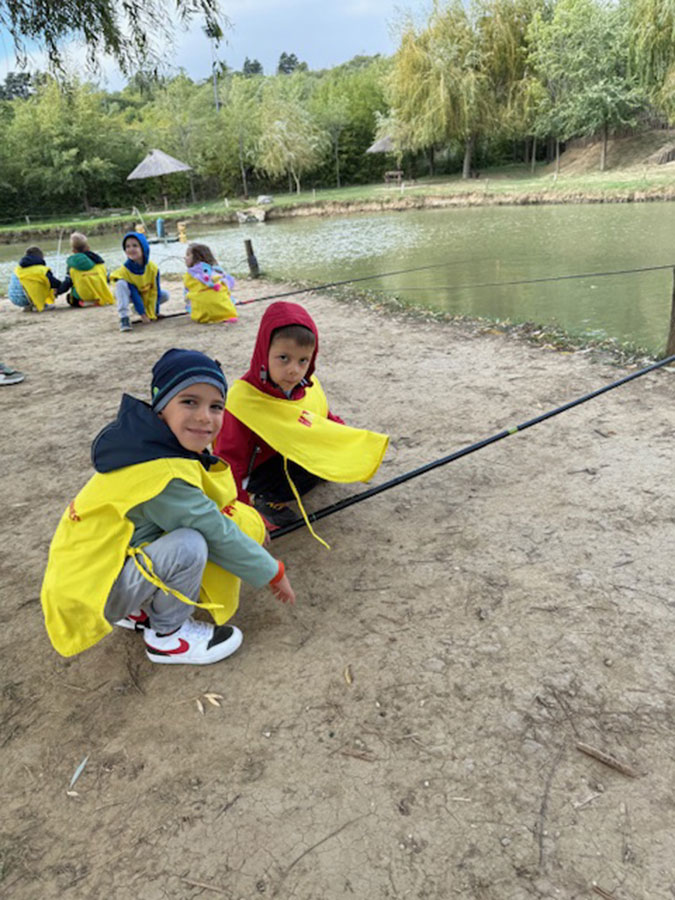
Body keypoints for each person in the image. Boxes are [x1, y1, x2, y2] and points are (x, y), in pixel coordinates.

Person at [40, 348, 295, 666]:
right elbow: (215, 531)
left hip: (87, 581)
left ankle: (136, 609)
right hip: (92, 597)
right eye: (189, 402)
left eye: (216, 406)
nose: (204, 416)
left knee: (169, 533)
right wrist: (272, 571)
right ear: (161, 407)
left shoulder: (144, 447)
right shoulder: (163, 475)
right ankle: (168, 636)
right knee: (190, 544)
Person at [213, 301, 389, 538]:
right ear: (264, 353)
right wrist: (240, 509)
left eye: (303, 361)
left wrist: (349, 445)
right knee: (304, 472)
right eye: (283, 358)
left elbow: (325, 419)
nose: (294, 370)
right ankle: (266, 501)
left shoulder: (307, 385)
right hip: (259, 469)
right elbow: (229, 460)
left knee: (324, 456)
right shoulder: (242, 401)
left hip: (289, 449)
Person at [109, 231, 169, 333]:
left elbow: (155, 291)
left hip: (145, 293)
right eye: (127, 246)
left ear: (143, 248)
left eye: (135, 246)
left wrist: (155, 312)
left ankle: (142, 309)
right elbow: (134, 294)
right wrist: (143, 315)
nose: (131, 249)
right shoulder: (125, 271)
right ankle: (124, 318)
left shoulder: (153, 268)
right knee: (120, 284)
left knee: (165, 295)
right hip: (130, 295)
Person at [183, 242, 238, 324]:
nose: (185, 257)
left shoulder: (188, 275)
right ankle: (226, 313)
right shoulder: (217, 270)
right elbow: (230, 284)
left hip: (201, 316)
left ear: (196, 258)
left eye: (188, 255)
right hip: (227, 313)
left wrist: (190, 310)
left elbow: (187, 297)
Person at [7, 245, 71, 312]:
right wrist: (60, 288)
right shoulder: (41, 270)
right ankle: (40, 305)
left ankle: (27, 305)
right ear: (41, 257)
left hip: (13, 298)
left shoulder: (17, 269)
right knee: (45, 283)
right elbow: (55, 284)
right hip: (27, 297)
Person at [65, 232, 114, 307]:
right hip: (100, 296)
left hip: (83, 297)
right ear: (88, 247)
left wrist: (57, 291)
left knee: (69, 296)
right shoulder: (99, 262)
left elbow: (67, 283)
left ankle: (84, 301)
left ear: (74, 251)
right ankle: (96, 299)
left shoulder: (71, 266)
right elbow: (106, 278)